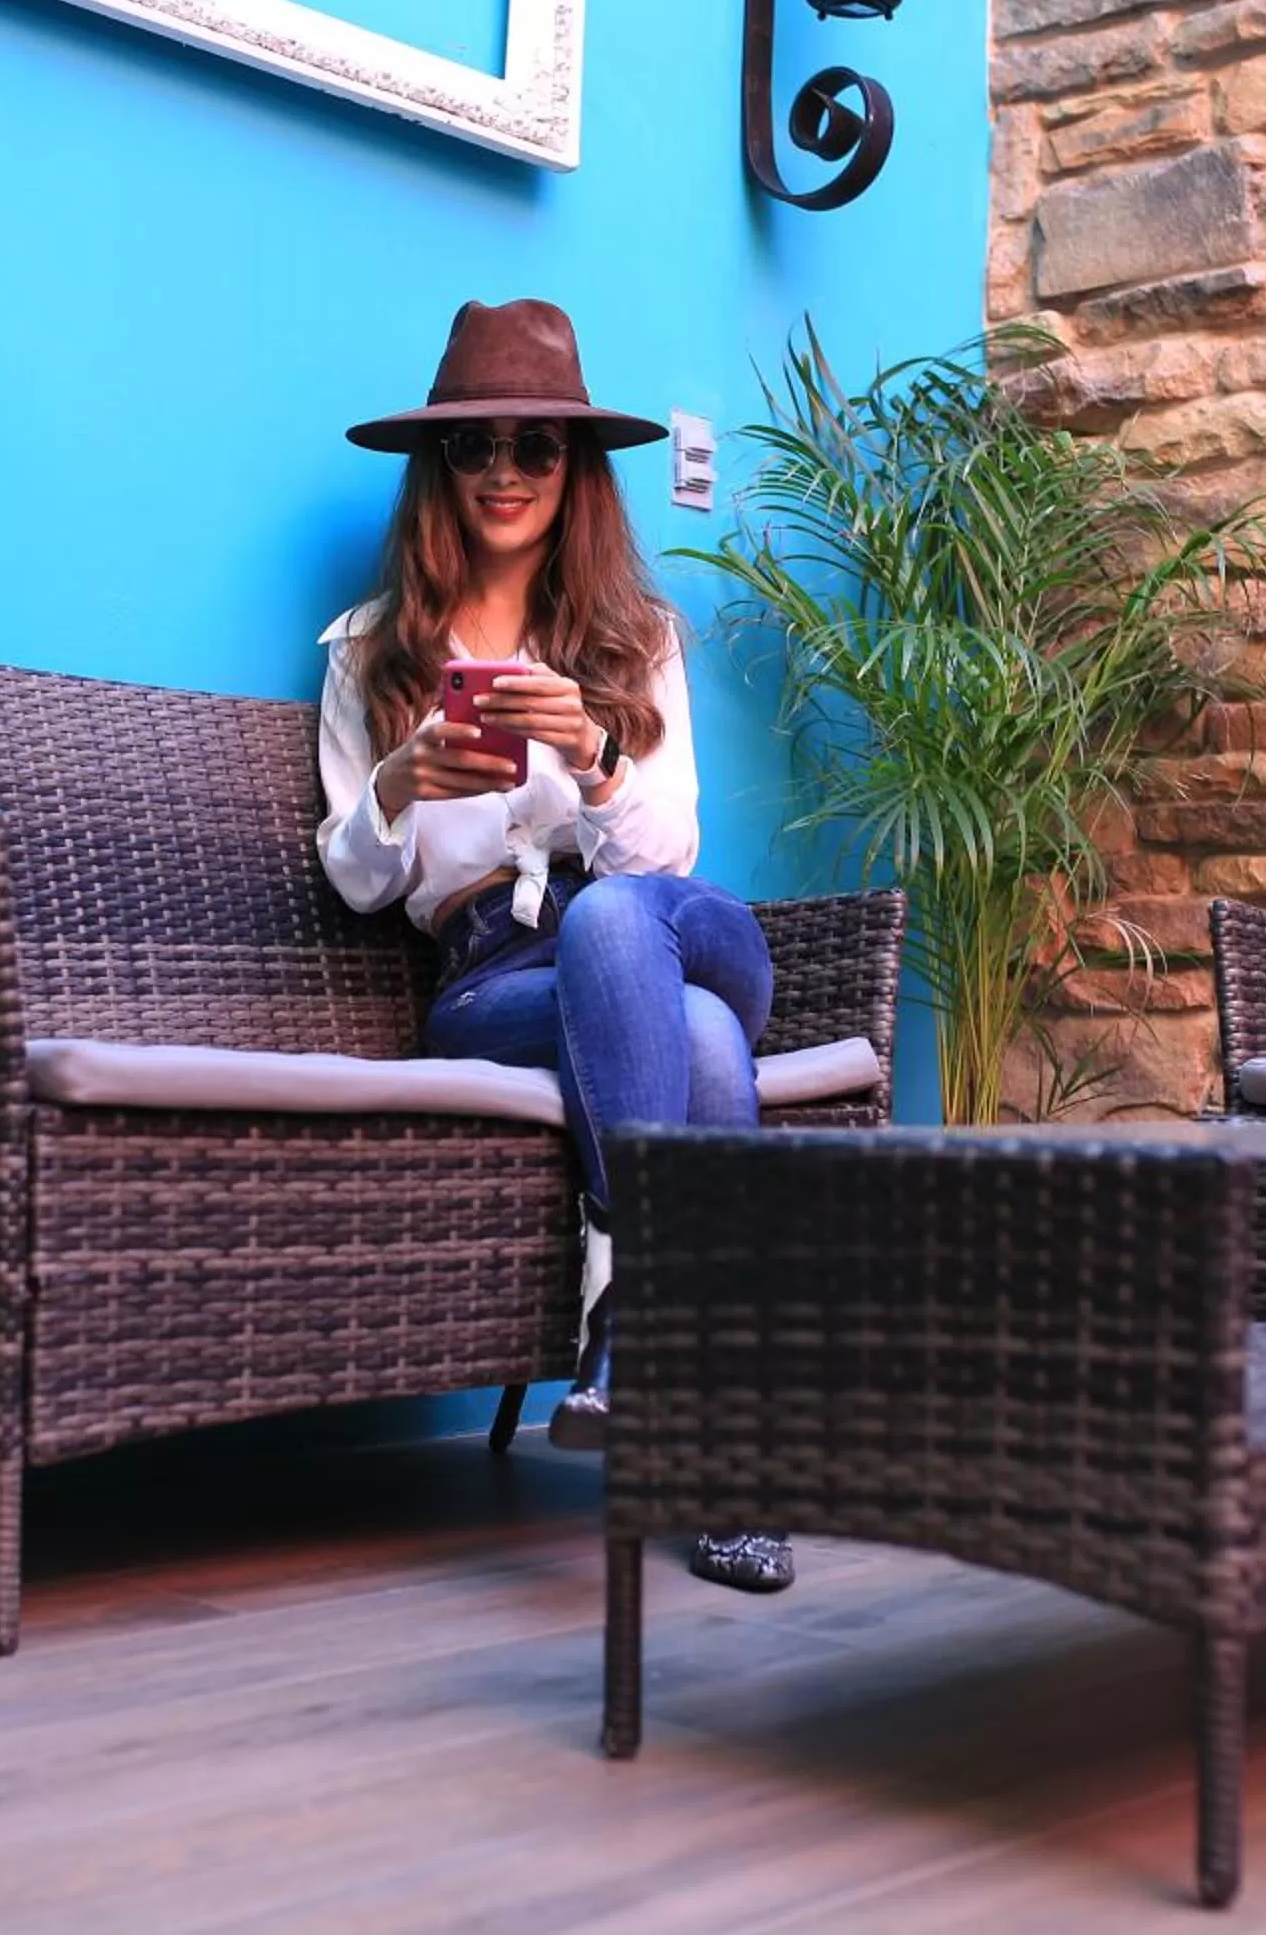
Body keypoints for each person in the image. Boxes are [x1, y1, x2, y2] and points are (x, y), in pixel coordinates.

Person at [314, 298, 794, 1597]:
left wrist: (592, 753)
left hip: (650, 922)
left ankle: (629, 1331)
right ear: (442, 473)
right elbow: (359, 886)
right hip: (490, 981)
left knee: (621, 914)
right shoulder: (371, 655)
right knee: (693, 1032)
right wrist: (406, 780)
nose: (508, 473)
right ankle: (712, 1441)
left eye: (537, 447)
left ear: (576, 472)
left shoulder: (639, 643)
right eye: (478, 449)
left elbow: (664, 861)